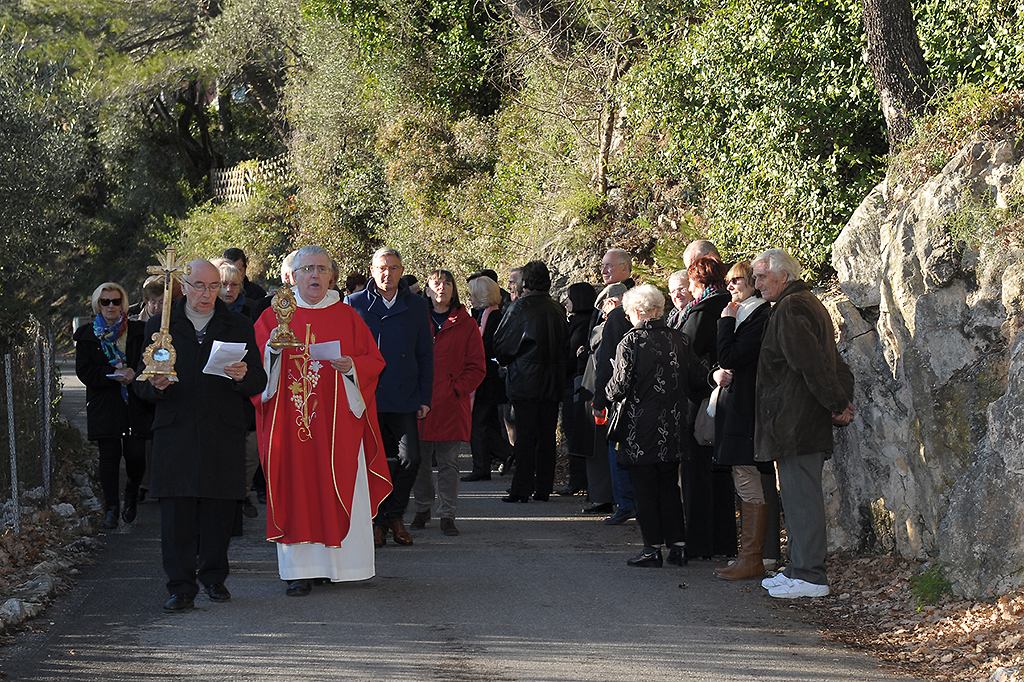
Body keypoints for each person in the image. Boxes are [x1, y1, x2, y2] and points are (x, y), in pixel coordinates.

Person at [252, 245, 392, 596]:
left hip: (337, 427)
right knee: (296, 490)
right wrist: (272, 351)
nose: (315, 275)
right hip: (291, 426)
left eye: (322, 269)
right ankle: (299, 571)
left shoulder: (347, 316)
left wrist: (351, 367)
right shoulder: (272, 316)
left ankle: (340, 568)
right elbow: (254, 372)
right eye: (308, 269)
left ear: (332, 276)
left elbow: (374, 362)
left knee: (337, 484)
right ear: (293, 276)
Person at [136, 259, 267, 613]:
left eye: (213, 286)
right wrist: (155, 386)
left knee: (218, 511)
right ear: (184, 286)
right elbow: (141, 385)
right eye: (199, 286)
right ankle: (180, 587)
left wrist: (243, 376)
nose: (207, 294)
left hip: (221, 429)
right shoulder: (160, 324)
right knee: (176, 515)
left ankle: (213, 577)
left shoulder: (238, 324)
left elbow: (259, 380)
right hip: (175, 429)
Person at [752, 248, 855, 599]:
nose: (757, 284)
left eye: (762, 277)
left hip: (796, 422)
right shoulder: (801, 303)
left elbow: (812, 363)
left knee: (802, 500)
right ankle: (797, 569)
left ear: (783, 276)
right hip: (795, 421)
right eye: (755, 277)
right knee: (796, 499)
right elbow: (833, 361)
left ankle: (810, 575)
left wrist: (837, 403)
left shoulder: (792, 307)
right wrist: (840, 399)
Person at [606, 285, 707, 567]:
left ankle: (652, 549)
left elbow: (618, 388)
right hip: (674, 424)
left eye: (628, 313)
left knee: (644, 489)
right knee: (669, 486)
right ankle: (679, 546)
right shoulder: (681, 339)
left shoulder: (631, 341)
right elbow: (698, 378)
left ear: (637, 312)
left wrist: (608, 387)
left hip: (641, 428)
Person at [346, 247, 433, 547]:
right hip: (367, 397)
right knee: (374, 461)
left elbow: (425, 354)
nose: (388, 273)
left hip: (404, 395)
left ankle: (394, 515)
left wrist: (425, 397)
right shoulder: (354, 303)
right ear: (372, 271)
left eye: (393, 268)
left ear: (401, 271)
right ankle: (380, 522)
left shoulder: (417, 305)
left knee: (411, 458)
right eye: (382, 268)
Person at [710, 261, 774, 579]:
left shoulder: (758, 316)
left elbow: (730, 357)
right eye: (728, 281)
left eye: (736, 280)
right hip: (737, 407)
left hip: (747, 409)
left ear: (751, 282)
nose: (731, 286)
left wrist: (726, 322)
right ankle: (749, 556)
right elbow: (722, 363)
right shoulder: (746, 314)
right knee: (743, 477)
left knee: (748, 478)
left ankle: (752, 558)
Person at [410, 270, 486, 536]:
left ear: (454, 289)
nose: (441, 288)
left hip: (451, 403)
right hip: (420, 401)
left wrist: (457, 389)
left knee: (449, 463)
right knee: (419, 461)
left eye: (446, 283)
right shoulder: (417, 320)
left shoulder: (466, 323)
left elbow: (477, 366)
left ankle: (447, 514)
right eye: (435, 283)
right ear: (427, 290)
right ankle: (422, 508)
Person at [75, 282, 149, 529]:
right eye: (105, 301)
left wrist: (134, 374)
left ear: (123, 303)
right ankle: (111, 508)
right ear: (98, 304)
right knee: (109, 457)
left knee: (136, 455)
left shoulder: (138, 331)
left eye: (116, 301)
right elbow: (85, 371)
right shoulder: (87, 335)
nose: (111, 306)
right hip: (105, 404)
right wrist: (113, 373)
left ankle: (131, 494)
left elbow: (149, 361)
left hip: (134, 402)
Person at [493, 260, 569, 502]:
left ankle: (521, 488)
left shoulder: (519, 308)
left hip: (525, 379)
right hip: (553, 379)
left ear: (525, 282)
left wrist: (508, 362)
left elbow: (502, 345)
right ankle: (544, 487)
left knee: (525, 436)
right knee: (547, 436)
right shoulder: (558, 309)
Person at [679, 255, 737, 559]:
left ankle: (699, 542)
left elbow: (684, 353)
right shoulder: (730, 306)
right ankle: (724, 541)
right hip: (722, 399)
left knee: (696, 473)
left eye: (691, 282)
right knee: (720, 473)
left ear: (699, 282)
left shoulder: (702, 311)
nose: (689, 289)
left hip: (700, 399)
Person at [590, 249, 636, 525]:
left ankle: (625, 503)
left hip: (618, 394)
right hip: (633, 393)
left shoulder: (618, 317)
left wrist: (601, 399)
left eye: (609, 266)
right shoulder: (624, 315)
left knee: (617, 447)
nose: (604, 270)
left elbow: (609, 360)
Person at [576, 282, 627, 516]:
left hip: (601, 392)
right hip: (601, 390)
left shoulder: (611, 325)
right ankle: (608, 496)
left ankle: (604, 497)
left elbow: (604, 363)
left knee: (600, 449)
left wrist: (600, 399)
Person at [462, 275, 512, 481]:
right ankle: (501, 456)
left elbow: (488, 348)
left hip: (488, 379)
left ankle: (490, 462)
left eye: (472, 294)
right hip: (485, 378)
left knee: (477, 424)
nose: (469, 298)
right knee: (485, 424)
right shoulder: (485, 316)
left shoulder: (494, 318)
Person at [558, 282, 596, 496]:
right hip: (574, 383)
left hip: (574, 384)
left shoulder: (581, 324)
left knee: (573, 430)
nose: (566, 302)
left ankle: (578, 479)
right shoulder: (581, 322)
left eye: (569, 297)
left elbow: (572, 356)